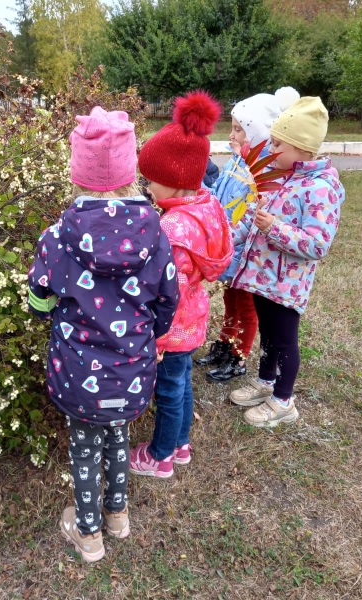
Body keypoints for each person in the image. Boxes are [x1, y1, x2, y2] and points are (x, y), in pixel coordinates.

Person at [27, 106, 180, 562]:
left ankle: (88, 532)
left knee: (84, 442)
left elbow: (38, 296)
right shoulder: (155, 233)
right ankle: (118, 514)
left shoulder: (57, 236)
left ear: (78, 171)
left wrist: (48, 314)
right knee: (117, 430)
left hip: (78, 368)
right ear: (131, 171)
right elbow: (168, 300)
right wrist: (149, 335)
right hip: (132, 367)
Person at [128, 91, 233, 478]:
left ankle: (160, 456)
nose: (148, 187)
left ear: (174, 179)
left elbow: (161, 290)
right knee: (182, 381)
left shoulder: (172, 230)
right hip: (195, 314)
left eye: (151, 179)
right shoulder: (208, 205)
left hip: (171, 324)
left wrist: (153, 338)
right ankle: (181, 443)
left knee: (168, 388)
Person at [227, 96, 345, 427]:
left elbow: (318, 244)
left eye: (278, 143)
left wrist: (274, 229)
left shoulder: (319, 189)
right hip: (263, 278)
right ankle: (266, 382)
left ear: (302, 148)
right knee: (268, 333)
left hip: (286, 285)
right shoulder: (283, 177)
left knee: (284, 341)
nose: (272, 149)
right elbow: (253, 216)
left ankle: (283, 401)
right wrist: (227, 237)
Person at [199, 87, 300, 384]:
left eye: (238, 130)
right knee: (230, 299)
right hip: (228, 246)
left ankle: (239, 356)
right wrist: (199, 191)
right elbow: (218, 196)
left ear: (256, 134)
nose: (231, 135)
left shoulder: (262, 173)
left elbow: (255, 214)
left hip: (245, 251)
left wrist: (230, 237)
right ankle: (225, 344)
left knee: (246, 306)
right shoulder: (235, 162)